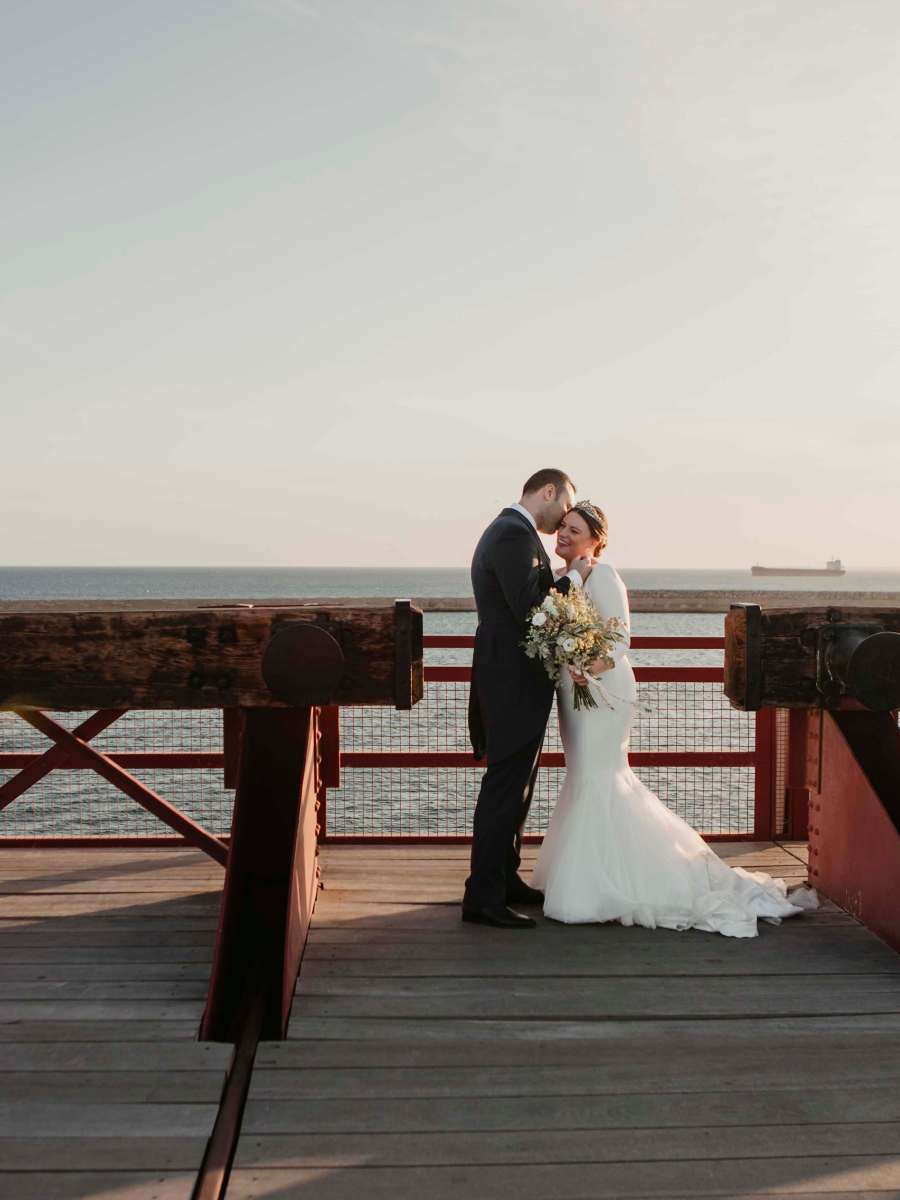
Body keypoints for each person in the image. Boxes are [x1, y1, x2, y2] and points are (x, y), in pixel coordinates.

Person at [531, 500, 817, 936]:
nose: (563, 535)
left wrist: (587, 668)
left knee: (599, 775)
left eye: (573, 529)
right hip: (573, 690)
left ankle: (600, 887)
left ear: (595, 540)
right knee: (582, 775)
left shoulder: (605, 576)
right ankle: (591, 876)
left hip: (603, 689)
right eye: (562, 527)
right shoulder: (561, 580)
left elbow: (620, 638)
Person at [463, 469, 596, 929]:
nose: (563, 521)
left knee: (519, 785)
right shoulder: (511, 534)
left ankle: (504, 878)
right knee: (504, 786)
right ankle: (482, 896)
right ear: (548, 491)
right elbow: (533, 610)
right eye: (564, 507)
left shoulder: (515, 533)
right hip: (510, 681)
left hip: (514, 680)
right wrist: (575, 577)